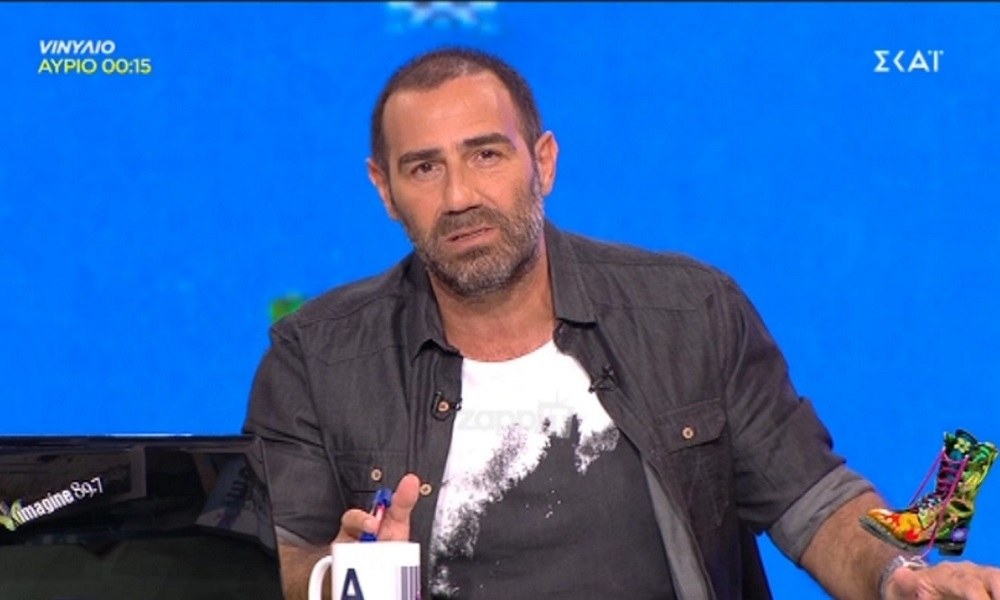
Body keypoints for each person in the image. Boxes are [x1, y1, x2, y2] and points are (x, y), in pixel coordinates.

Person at [244, 47, 1000, 600]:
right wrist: (341, 576)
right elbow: (270, 561)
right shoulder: (316, 355)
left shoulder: (690, 314)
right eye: (424, 167)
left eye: (486, 155)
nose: (460, 196)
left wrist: (897, 576)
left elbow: (816, 503)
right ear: (384, 190)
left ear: (543, 162)